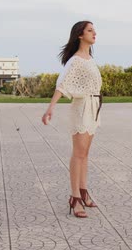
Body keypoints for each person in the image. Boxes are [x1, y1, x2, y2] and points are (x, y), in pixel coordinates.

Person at [42, 21, 102, 218]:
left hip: (94, 107)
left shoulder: (89, 58)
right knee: (78, 153)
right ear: (79, 35)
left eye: (94, 30)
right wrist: (51, 107)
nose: (94, 33)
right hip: (82, 107)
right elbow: (63, 84)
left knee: (85, 154)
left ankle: (83, 192)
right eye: (90, 30)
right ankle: (75, 197)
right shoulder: (75, 60)